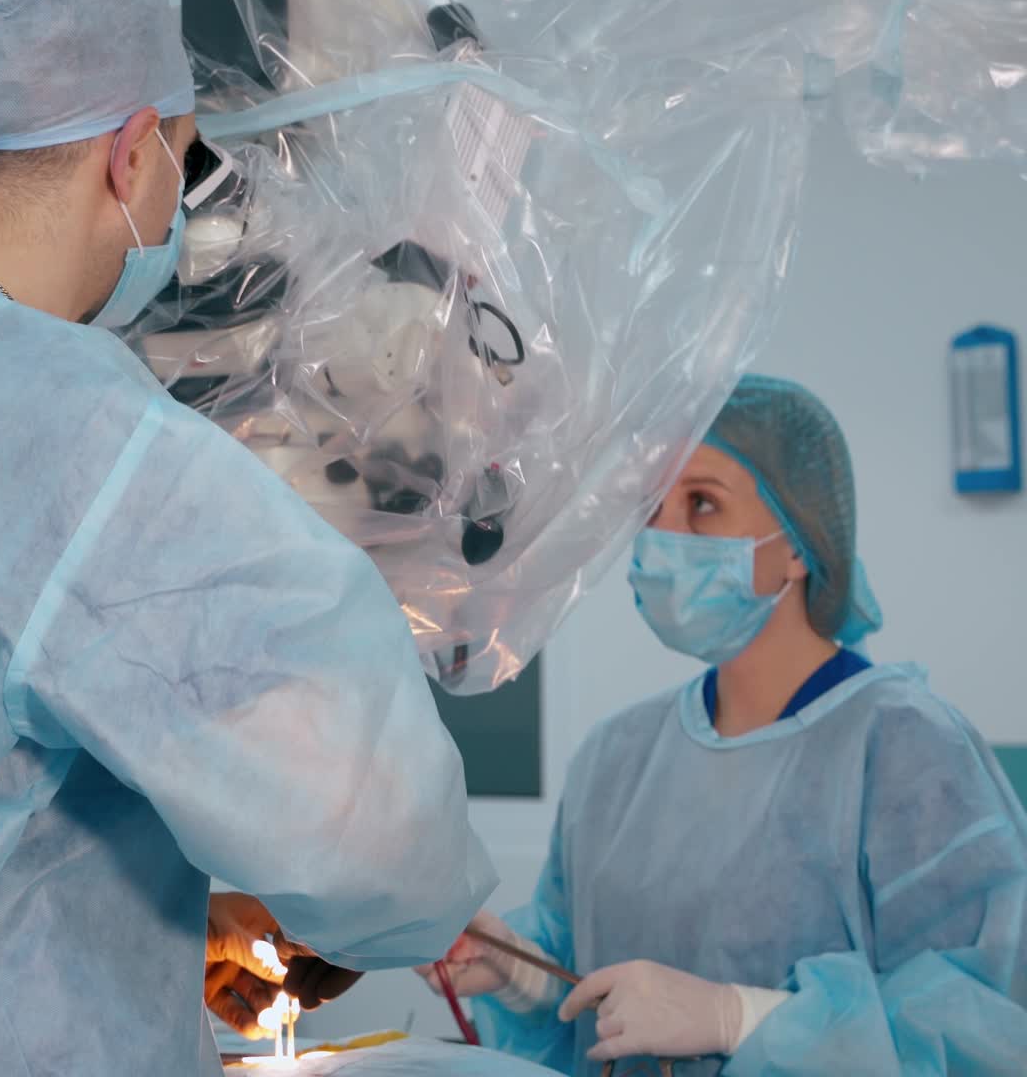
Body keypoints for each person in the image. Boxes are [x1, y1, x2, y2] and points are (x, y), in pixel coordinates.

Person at [0, 0, 495, 1077]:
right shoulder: (68, 428)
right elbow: (379, 839)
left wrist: (162, 887)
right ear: (131, 149)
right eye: (183, 161)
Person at [419, 376, 1027, 1075]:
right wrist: (523, 976)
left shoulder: (909, 751)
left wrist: (737, 1017)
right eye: (653, 509)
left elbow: (984, 1031)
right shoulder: (616, 760)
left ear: (799, 542)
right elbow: (582, 989)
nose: (664, 537)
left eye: (702, 504)